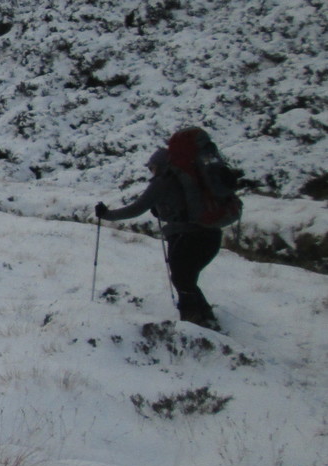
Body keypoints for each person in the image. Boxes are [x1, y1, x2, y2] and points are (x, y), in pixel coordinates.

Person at [96, 129, 240, 330]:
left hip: (187, 237)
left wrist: (106, 214)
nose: (151, 172)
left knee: (182, 278)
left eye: (152, 168)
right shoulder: (188, 178)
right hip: (211, 234)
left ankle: (195, 325)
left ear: (160, 165)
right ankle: (205, 319)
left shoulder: (163, 181)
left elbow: (137, 208)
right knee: (186, 279)